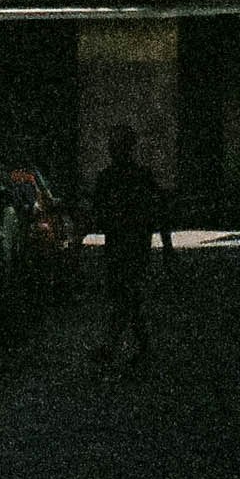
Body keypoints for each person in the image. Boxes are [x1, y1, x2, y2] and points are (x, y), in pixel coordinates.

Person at [86, 127, 172, 368]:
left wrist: (167, 247)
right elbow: (161, 212)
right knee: (129, 297)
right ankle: (141, 348)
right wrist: (167, 247)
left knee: (126, 295)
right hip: (126, 245)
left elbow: (159, 211)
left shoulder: (117, 178)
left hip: (127, 246)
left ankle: (111, 348)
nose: (114, 149)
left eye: (117, 145)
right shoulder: (134, 177)